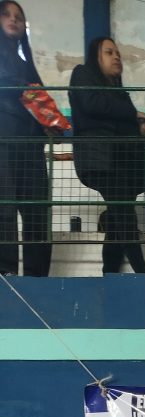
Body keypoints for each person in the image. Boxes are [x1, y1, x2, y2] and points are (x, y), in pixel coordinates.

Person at [68, 37, 145, 274]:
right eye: (109, 52)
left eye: (118, 53)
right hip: (101, 160)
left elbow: (128, 128)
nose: (116, 56)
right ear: (95, 56)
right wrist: (134, 114)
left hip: (123, 162)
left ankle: (110, 273)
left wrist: (143, 131)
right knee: (125, 216)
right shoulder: (82, 74)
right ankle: (142, 274)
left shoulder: (119, 93)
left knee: (117, 222)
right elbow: (92, 104)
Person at [0, 1, 53, 276]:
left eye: (19, 17)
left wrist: (51, 125)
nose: (13, 20)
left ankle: (38, 276)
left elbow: (40, 102)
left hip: (30, 145)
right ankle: (6, 273)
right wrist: (19, 87)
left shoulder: (26, 65)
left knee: (38, 210)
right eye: (6, 15)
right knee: (5, 208)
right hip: (4, 140)